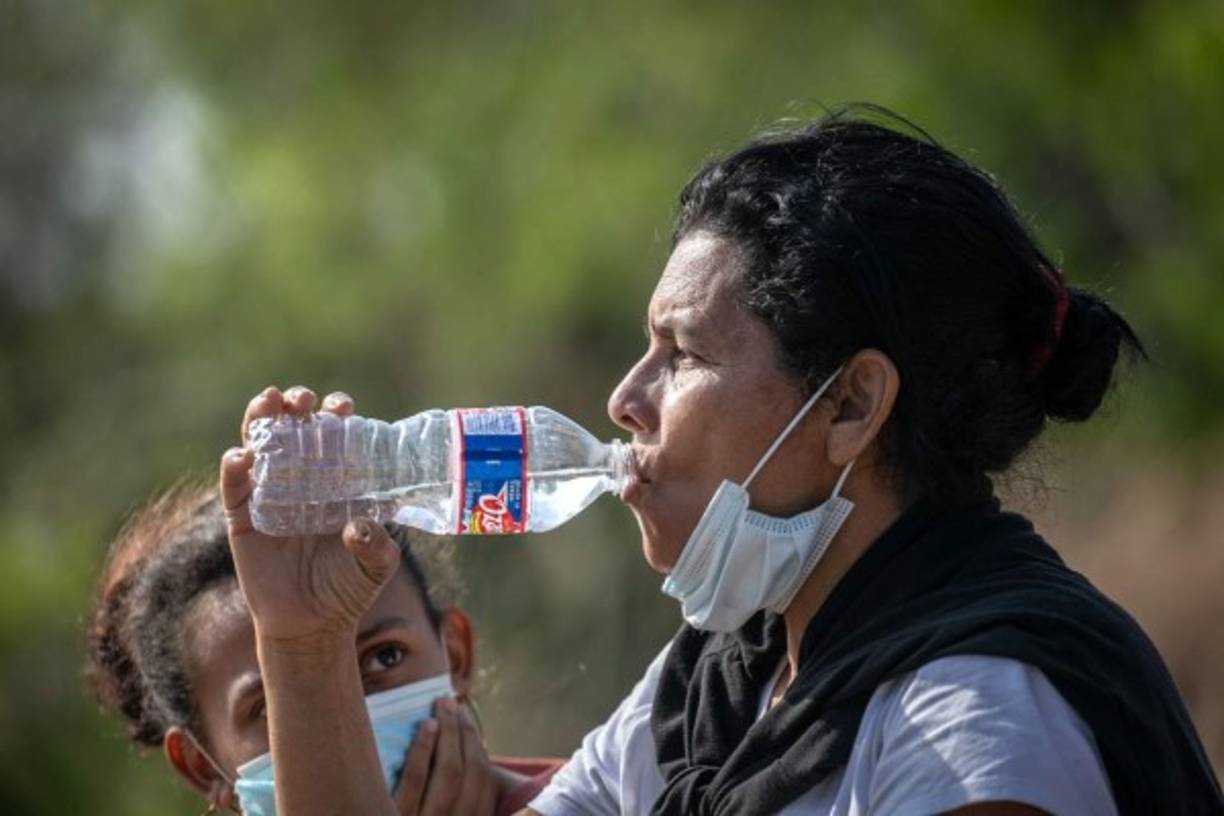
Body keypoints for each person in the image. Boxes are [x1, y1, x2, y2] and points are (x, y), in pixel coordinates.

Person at [219, 107, 1223, 814]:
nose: (624, 400)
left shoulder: (976, 719)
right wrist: (303, 648)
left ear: (851, 405)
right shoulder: (719, 687)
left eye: (684, 354)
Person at [86, 478, 559, 814]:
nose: (345, 715)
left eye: (385, 657)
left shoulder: (596, 794)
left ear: (455, 655)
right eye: (274, 703)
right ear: (202, 768)